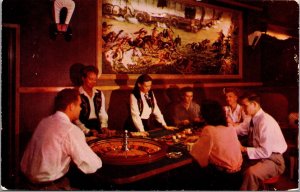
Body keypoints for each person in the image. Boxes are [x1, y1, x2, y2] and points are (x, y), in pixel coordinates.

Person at [20, 89, 102, 190]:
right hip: (49, 186)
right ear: (71, 106)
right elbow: (91, 165)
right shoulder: (70, 130)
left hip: (26, 183)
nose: (81, 109)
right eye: (80, 105)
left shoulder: (44, 122)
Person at [236, 92, 287, 190]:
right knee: (236, 165)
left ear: (254, 104)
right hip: (261, 156)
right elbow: (239, 130)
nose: (242, 109)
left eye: (244, 106)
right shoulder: (252, 119)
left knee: (251, 173)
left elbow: (265, 152)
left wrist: (244, 149)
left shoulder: (265, 122)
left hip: (273, 160)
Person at [190, 99, 243, 189]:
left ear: (205, 115)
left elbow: (197, 154)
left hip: (223, 177)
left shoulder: (209, 130)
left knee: (192, 172)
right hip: (238, 176)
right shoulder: (230, 127)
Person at [74, 65, 115, 137]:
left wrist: (104, 126)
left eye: (95, 79)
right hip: (82, 127)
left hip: (97, 125)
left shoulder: (99, 93)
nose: (93, 82)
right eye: (90, 79)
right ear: (83, 78)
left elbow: (102, 112)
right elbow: (75, 119)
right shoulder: (76, 94)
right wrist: (87, 131)